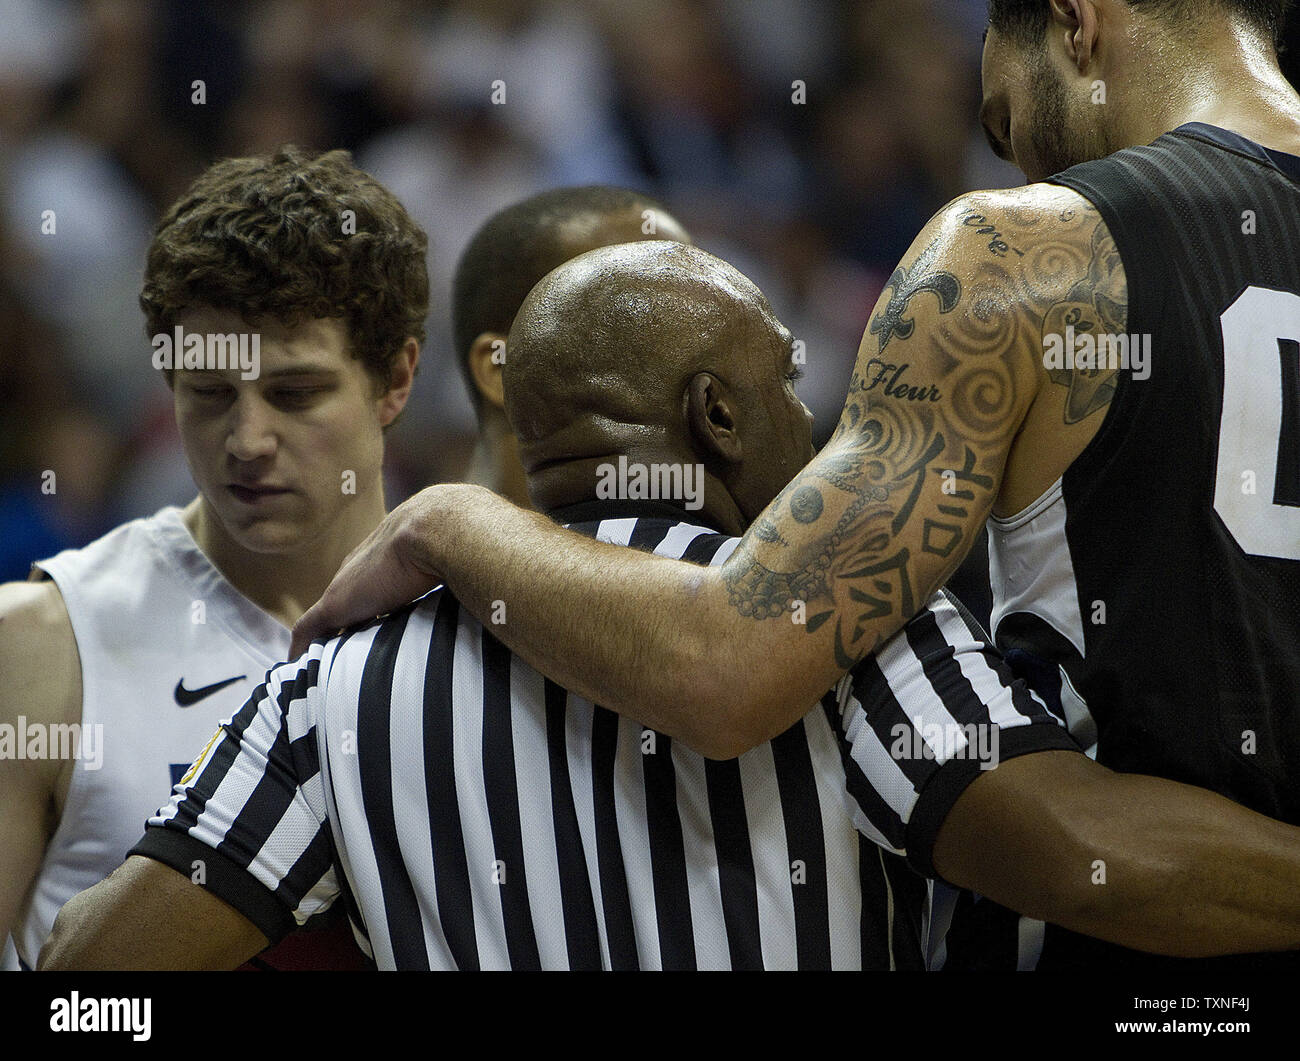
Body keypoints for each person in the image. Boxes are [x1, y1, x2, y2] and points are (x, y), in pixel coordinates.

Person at [292, 0, 1300, 970]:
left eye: (1006, 122)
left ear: (1078, 21)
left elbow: (722, 668)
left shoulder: (1019, 251)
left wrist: (445, 520)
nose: (1023, 162)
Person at [42, 243, 1300, 970]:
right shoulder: (849, 617)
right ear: (717, 415)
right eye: (796, 392)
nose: (819, 433)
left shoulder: (334, 679)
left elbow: (92, 977)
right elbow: (1088, 862)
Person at [0, 146, 426, 971]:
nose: (248, 440)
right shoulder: (40, 643)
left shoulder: (487, 617)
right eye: (209, 392)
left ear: (397, 377)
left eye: (295, 394)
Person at [454, 186, 691, 508]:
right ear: (503, 370)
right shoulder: (410, 552)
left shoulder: (721, 543)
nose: (691, 355)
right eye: (637, 318)